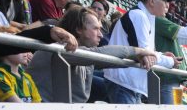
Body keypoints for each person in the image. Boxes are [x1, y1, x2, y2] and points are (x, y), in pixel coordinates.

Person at [27, 6, 157, 103]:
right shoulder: (59, 47)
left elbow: (106, 59)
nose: (101, 34)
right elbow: (99, 54)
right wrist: (139, 51)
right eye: (95, 29)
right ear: (78, 29)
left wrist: (138, 57)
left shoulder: (82, 51)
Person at [102, 0, 178, 104]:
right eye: (164, 0)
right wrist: (170, 61)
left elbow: (146, 52)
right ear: (152, 1)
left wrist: (161, 55)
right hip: (123, 83)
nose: (168, 5)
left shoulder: (145, 16)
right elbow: (144, 53)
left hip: (129, 83)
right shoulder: (139, 16)